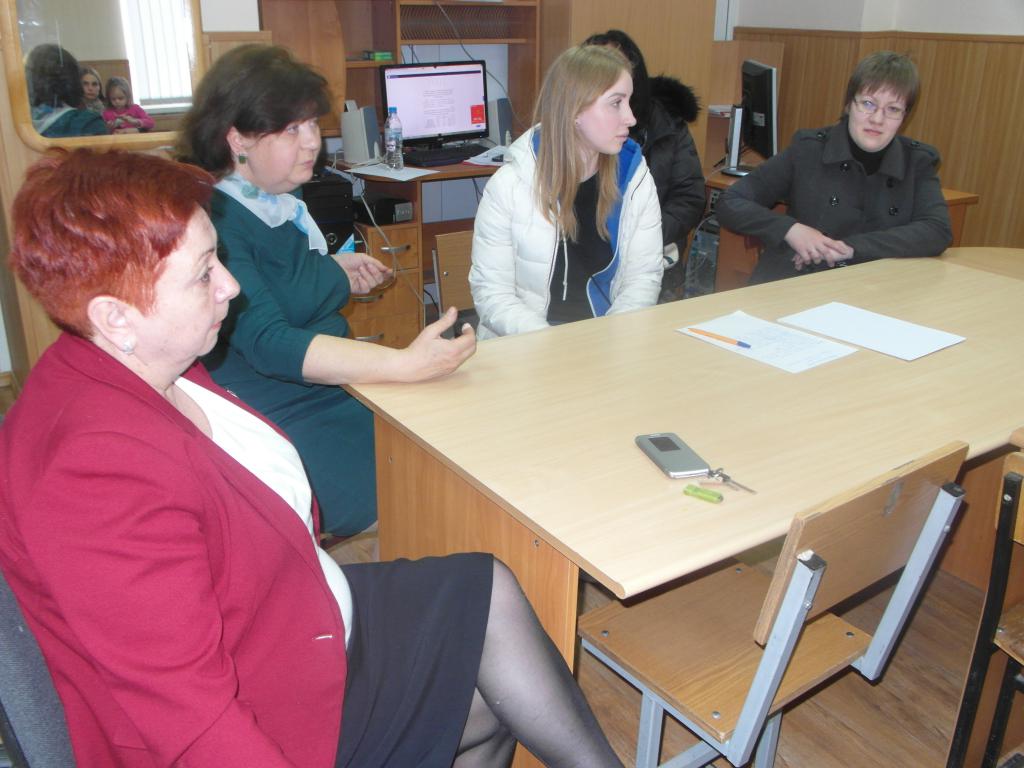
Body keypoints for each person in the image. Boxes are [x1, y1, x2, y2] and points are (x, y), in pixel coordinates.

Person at [0, 147, 623, 768]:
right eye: (204, 273)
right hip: (270, 706)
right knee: (488, 683)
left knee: (484, 595)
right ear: (115, 316)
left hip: (292, 615)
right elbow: (189, 717)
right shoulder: (91, 472)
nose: (231, 285)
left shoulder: (145, 360)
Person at [176, 44, 476, 536]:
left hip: (334, 390)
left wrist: (333, 271)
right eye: (291, 130)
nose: (312, 142)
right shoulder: (218, 222)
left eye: (313, 124)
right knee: (439, 486)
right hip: (285, 412)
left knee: (458, 444)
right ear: (238, 139)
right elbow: (271, 343)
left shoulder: (275, 200)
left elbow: (282, 283)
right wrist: (402, 364)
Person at [469, 45, 663, 338]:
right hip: (527, 342)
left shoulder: (634, 178)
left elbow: (643, 278)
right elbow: (492, 294)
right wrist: (553, 344)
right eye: (616, 103)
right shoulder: (510, 185)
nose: (631, 118)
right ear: (574, 111)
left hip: (608, 338)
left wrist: (613, 339)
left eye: (629, 101)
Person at [715, 50, 952, 284]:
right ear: (849, 104)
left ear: (905, 116)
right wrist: (792, 230)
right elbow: (731, 201)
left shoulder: (917, 161)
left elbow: (937, 230)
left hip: (875, 287)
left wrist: (850, 248)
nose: (877, 119)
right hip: (798, 282)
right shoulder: (809, 149)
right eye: (868, 104)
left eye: (893, 109)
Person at [583, 29, 706, 302]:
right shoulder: (581, 130)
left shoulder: (667, 124)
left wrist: (642, 238)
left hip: (654, 256)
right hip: (588, 261)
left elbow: (690, 198)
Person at [24, 44, 107, 138]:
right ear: (74, 80)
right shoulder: (89, 124)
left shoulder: (20, 125)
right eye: (85, 83)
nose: (90, 88)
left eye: (94, 84)